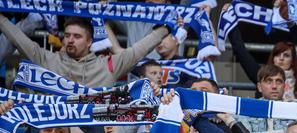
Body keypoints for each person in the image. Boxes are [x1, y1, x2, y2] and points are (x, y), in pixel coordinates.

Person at [0, 15, 170, 87]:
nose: (70, 40)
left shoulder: (109, 65)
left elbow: (138, 50)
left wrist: (168, 27)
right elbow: (18, 38)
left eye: (77, 36)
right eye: (67, 35)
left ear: (90, 42)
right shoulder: (48, 59)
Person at [236, 65, 293, 133]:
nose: (274, 86)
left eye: (278, 82)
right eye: (269, 81)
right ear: (259, 87)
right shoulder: (247, 109)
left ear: (284, 86)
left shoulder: (294, 110)